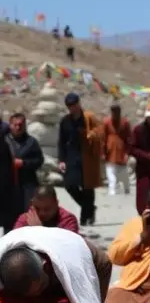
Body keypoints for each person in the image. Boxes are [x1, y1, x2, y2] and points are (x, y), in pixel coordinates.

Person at [57, 93, 104, 226]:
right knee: (70, 185)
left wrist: (90, 135)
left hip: (88, 155)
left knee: (87, 186)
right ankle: (90, 208)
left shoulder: (88, 118)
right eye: (70, 106)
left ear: (79, 103)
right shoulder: (65, 121)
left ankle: (85, 218)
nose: (73, 108)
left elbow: (100, 131)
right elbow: (61, 141)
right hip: (71, 157)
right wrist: (61, 159)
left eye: (74, 105)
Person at [7, 112, 44, 217]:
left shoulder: (31, 142)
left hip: (28, 185)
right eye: (15, 125)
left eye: (21, 125)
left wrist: (24, 163)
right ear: (10, 125)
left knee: (28, 213)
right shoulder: (4, 141)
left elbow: (39, 160)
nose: (18, 127)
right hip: (9, 185)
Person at [14, 186, 80, 233]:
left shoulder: (68, 220)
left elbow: (67, 246)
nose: (42, 213)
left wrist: (39, 230)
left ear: (56, 203)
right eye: (37, 208)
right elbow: (14, 240)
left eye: (47, 209)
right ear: (32, 203)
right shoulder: (26, 218)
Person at [101, 103, 131, 196]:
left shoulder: (125, 123)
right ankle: (112, 190)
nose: (115, 113)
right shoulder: (106, 122)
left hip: (121, 153)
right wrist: (102, 152)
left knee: (124, 174)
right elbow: (103, 138)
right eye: (113, 111)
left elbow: (129, 139)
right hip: (110, 152)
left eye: (117, 111)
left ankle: (126, 189)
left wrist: (127, 153)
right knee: (111, 172)